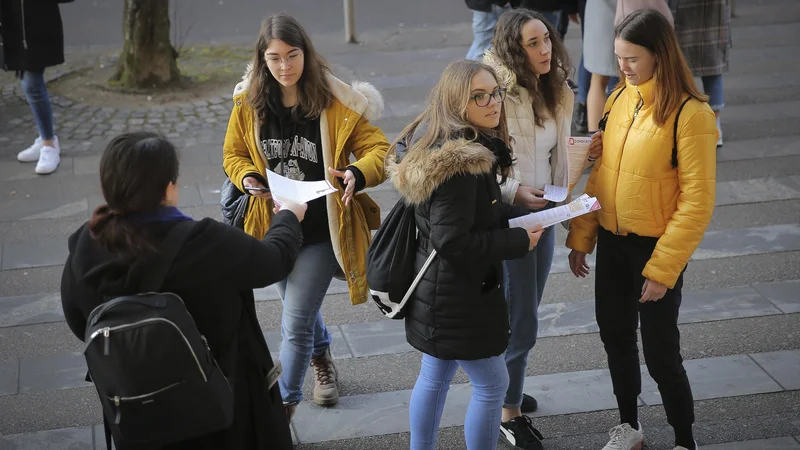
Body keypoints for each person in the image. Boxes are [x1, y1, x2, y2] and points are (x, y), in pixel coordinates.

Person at [61, 132, 306, 449]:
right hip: (217, 405)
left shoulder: (87, 243)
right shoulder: (204, 243)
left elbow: (79, 320)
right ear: (168, 189)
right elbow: (274, 261)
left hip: (137, 407)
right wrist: (288, 216)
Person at [222, 14, 389, 416]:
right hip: (274, 227)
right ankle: (322, 357)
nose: (284, 67)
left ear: (305, 53)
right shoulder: (250, 103)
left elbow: (380, 150)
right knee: (298, 310)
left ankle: (284, 408)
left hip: (321, 232)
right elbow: (233, 154)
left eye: (292, 55)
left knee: (294, 322)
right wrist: (248, 179)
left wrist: (355, 172)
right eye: (274, 58)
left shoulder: (335, 103)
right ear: (262, 60)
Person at [566, 9, 717, 450]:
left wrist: (662, 268)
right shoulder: (619, 98)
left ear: (659, 55)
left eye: (631, 58)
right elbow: (601, 176)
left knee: (660, 353)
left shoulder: (692, 115)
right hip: (613, 243)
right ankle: (629, 427)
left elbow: (697, 202)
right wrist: (581, 237)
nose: (623, 67)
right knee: (615, 339)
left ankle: (684, 440)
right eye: (618, 57)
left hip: (656, 248)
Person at [389, 59, 543, 450]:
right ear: (458, 103)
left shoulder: (447, 142)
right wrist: (518, 241)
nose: (493, 103)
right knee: (493, 384)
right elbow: (453, 242)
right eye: (480, 96)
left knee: (435, 374)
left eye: (495, 93)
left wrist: (520, 217)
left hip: (439, 295)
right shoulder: (462, 164)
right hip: (459, 298)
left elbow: (480, 214)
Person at [485, 8, 600, 449]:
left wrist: (580, 161)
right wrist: (516, 192)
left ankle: (505, 391)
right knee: (522, 317)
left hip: (544, 213)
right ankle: (507, 411)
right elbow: (482, 159)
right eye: (533, 43)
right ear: (516, 50)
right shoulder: (496, 95)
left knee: (527, 308)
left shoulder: (557, 89)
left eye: (546, 39)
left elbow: (556, 156)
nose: (545, 48)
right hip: (510, 214)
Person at [0, 0, 70, 174]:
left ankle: (49, 143)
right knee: (26, 81)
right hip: (12, 25)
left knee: (32, 83)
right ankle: (44, 137)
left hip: (36, 28)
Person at [669, 0, 731, 146]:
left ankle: (681, 122)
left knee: (678, 68)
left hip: (680, 11)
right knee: (713, 68)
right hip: (713, 13)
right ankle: (715, 127)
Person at [583, 0, 621, 133]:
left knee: (598, 79)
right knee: (636, 74)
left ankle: (594, 138)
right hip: (638, 9)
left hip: (601, 10)